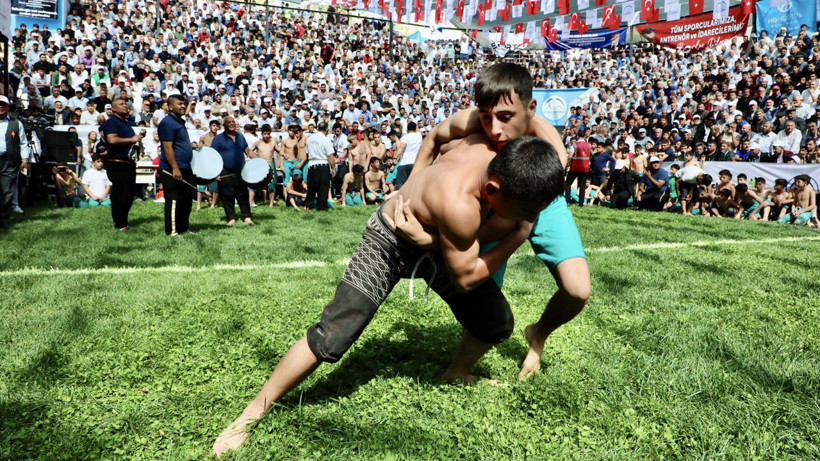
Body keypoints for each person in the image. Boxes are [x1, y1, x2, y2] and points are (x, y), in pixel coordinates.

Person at [212, 136, 564, 457]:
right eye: (526, 211)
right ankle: (252, 412)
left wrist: (423, 216)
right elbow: (466, 279)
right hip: (390, 239)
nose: (529, 218)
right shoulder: (461, 206)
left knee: (495, 321)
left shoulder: (486, 140)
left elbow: (440, 134)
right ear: (493, 189)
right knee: (331, 337)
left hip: (435, 240)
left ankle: (456, 373)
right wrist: (518, 234)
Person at [408, 63, 590, 381]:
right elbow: (435, 137)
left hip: (541, 200)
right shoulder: (475, 119)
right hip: (495, 201)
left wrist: (431, 240)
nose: (494, 129)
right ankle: (457, 371)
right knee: (485, 294)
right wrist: (409, 190)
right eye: (487, 117)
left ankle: (538, 333)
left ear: (530, 109)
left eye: (505, 117)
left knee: (577, 290)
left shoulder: (549, 147)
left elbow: (555, 167)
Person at [100, 98, 145, 231]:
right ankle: (120, 224)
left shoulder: (125, 123)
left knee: (129, 194)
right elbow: (112, 140)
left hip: (128, 162)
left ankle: (123, 221)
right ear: (113, 109)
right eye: (121, 104)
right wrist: (132, 139)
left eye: (125, 104)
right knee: (121, 194)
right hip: (117, 163)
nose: (125, 106)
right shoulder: (112, 122)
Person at [158, 94, 195, 236]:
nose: (183, 106)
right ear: (170, 107)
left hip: (185, 167)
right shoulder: (168, 122)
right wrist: (175, 168)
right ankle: (172, 231)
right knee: (174, 199)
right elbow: (167, 147)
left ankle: (184, 229)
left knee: (186, 201)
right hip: (172, 168)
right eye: (180, 104)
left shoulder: (179, 122)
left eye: (184, 103)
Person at [212, 116, 257, 226]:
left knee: (243, 195)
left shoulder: (240, 136)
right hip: (224, 172)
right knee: (226, 196)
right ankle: (231, 218)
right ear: (224, 125)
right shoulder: (218, 139)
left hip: (240, 171)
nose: (232, 123)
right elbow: (212, 155)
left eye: (233, 122)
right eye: (229, 122)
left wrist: (258, 160)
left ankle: (247, 217)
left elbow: (247, 150)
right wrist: (215, 173)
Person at [0, 95, 32, 230]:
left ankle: (3, 219)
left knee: (7, 191)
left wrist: (25, 160)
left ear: (8, 107)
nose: (0, 107)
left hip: (9, 161)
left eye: (3, 105)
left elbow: (23, 143)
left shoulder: (16, 123)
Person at [304, 121, 335, 211]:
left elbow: (307, 153)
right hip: (322, 164)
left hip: (311, 164)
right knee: (323, 187)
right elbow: (330, 156)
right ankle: (321, 207)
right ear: (326, 129)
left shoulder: (309, 139)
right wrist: (333, 168)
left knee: (311, 186)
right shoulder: (326, 140)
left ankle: (308, 205)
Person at [393, 121, 421, 189]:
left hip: (404, 163)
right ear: (415, 128)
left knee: (400, 186)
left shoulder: (405, 137)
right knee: (414, 185)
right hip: (415, 163)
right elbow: (418, 130)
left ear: (407, 129)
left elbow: (401, 148)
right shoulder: (419, 135)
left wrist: (394, 158)